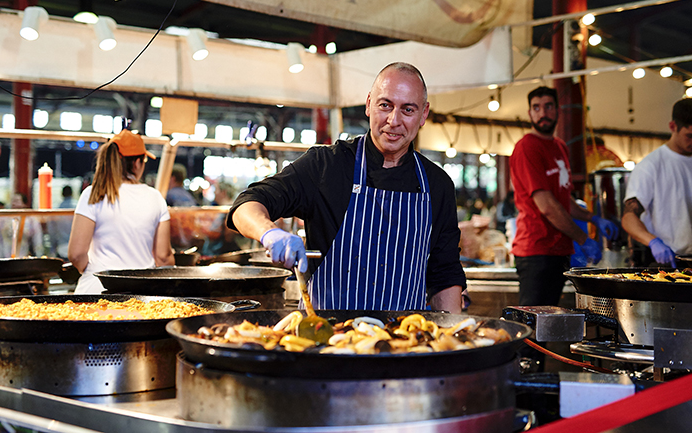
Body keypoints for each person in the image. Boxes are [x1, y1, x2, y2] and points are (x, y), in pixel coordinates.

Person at [228, 62, 465, 312]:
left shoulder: (437, 185)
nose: (393, 120)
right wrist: (269, 233)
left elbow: (445, 275)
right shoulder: (326, 165)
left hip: (404, 342)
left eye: (407, 109)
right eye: (385, 105)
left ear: (423, 114)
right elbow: (246, 205)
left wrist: (453, 338)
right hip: (329, 339)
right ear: (368, 103)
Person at [510, 86, 619, 307]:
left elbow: (563, 199)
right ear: (529, 113)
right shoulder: (527, 147)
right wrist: (583, 239)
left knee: (550, 327)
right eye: (536, 108)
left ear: (558, 110)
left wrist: (593, 218)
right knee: (534, 327)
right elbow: (548, 206)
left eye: (548, 106)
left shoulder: (559, 146)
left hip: (560, 250)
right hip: (536, 252)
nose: (543, 113)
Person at [68, 129, 174, 294]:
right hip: (142, 295)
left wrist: (92, 271)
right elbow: (164, 257)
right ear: (137, 163)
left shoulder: (94, 193)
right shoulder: (155, 197)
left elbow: (76, 254)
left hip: (95, 290)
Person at [622, 98, 692, 268]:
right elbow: (629, 217)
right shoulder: (651, 166)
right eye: (689, 136)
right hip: (668, 261)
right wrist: (653, 242)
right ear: (672, 127)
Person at [49, 185, 77, 259]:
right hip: (77, 248)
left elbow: (52, 232)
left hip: (61, 247)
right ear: (72, 194)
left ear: (62, 194)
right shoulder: (78, 208)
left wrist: (52, 248)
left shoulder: (57, 210)